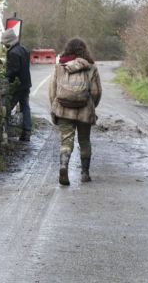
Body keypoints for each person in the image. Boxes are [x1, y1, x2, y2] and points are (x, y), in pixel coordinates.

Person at [49, 38, 102, 185]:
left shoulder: (60, 67)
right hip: (85, 110)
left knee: (66, 140)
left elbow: (52, 90)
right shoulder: (91, 67)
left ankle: (64, 166)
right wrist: (92, 106)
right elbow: (96, 92)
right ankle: (85, 173)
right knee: (84, 141)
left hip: (64, 110)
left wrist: (55, 108)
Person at [1, 29, 32, 141]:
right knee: (25, 107)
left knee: (8, 107)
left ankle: (3, 130)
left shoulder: (13, 53)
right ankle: (27, 131)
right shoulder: (24, 49)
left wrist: (4, 77)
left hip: (17, 85)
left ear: (8, 42)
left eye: (4, 43)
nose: (4, 45)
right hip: (26, 83)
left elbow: (13, 70)